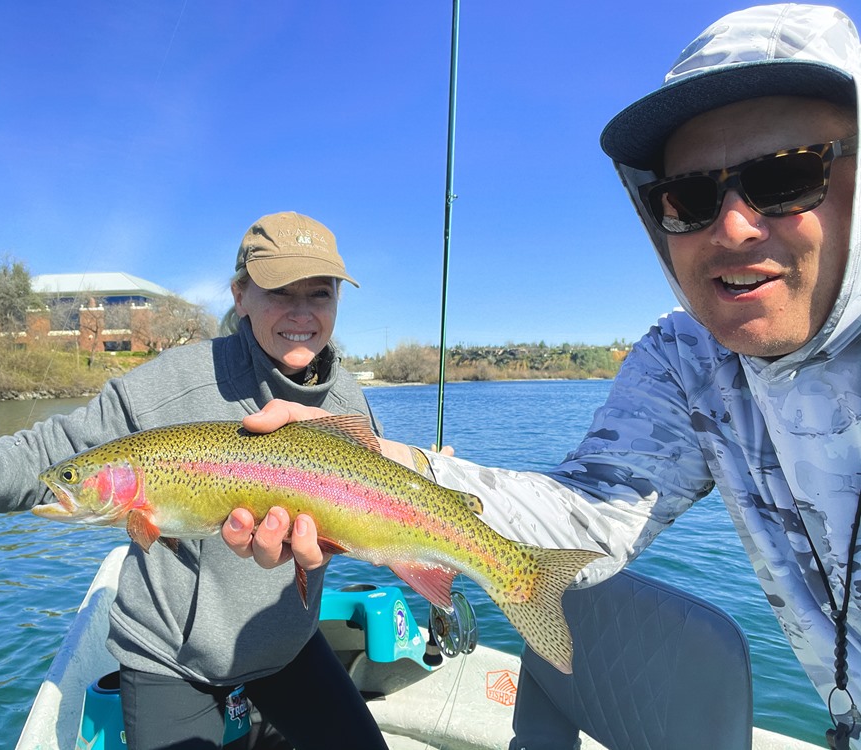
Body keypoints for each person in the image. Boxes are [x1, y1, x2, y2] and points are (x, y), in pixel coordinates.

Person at [225, 5, 861, 746]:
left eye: (784, 177)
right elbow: (593, 509)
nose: (734, 226)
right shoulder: (689, 360)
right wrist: (383, 470)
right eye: (687, 198)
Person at [0, 211, 389, 750]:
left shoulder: (349, 402)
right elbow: (48, 455)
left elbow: (363, 526)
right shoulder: (168, 383)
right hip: (170, 659)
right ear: (240, 294)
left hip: (286, 646)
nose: (301, 313)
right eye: (279, 291)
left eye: (320, 294)